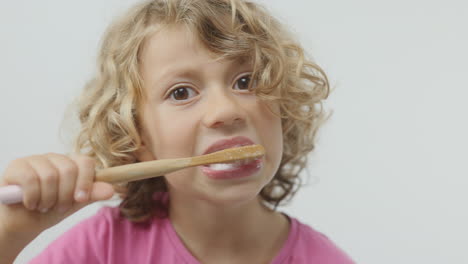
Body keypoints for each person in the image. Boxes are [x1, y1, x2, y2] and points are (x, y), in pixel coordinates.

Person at [0, 0, 355, 263]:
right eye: (181, 92)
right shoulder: (101, 247)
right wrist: (11, 234)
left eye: (246, 81)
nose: (226, 111)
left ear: (285, 109)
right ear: (136, 137)